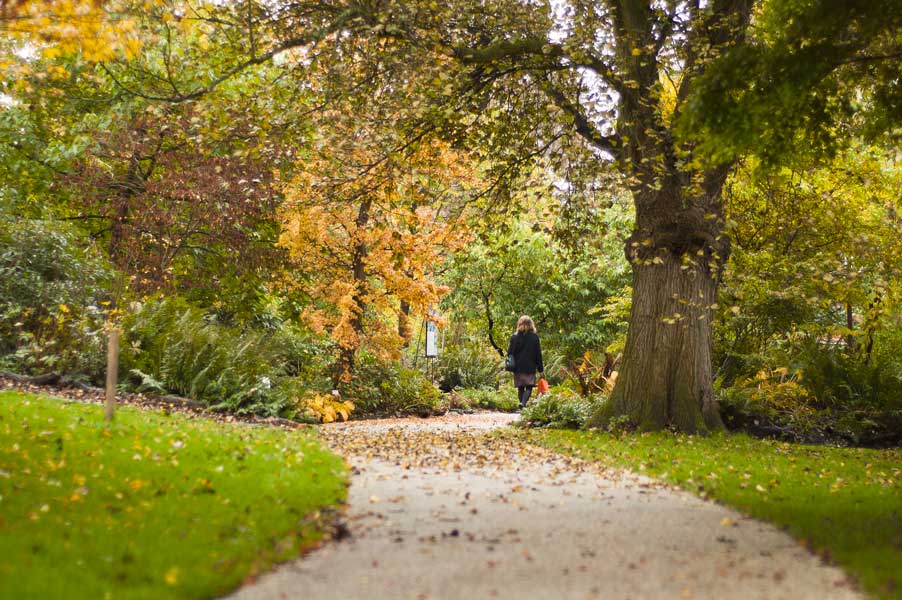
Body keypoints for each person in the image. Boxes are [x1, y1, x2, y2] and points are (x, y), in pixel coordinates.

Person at [507, 315, 544, 409]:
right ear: (531, 324)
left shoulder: (514, 337)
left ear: (519, 324)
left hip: (517, 366)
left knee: (520, 387)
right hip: (530, 366)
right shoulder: (534, 337)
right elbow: (538, 354)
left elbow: (509, 353)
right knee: (529, 386)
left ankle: (522, 405)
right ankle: (523, 404)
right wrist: (540, 369)